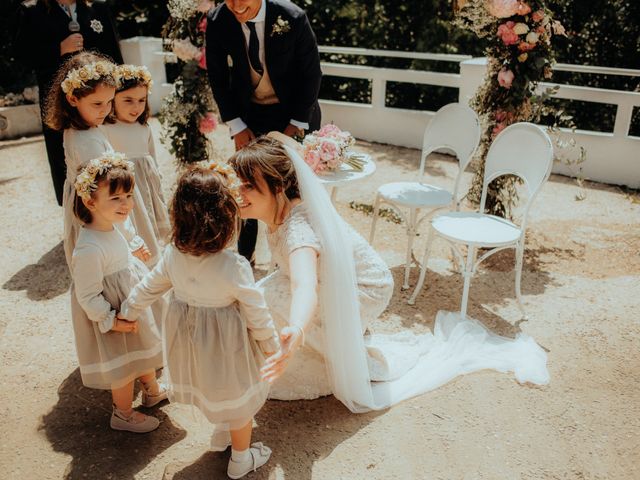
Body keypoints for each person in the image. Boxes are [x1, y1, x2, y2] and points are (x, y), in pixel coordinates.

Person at [230, 135, 551, 413]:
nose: (239, 193)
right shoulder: (279, 209)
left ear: (279, 187)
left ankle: (334, 360)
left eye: (249, 186)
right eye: (238, 183)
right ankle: (321, 348)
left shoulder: (299, 230)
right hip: (337, 277)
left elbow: (304, 286)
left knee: (269, 295)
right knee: (264, 289)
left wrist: (297, 330)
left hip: (366, 288)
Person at [119, 164, 280, 479]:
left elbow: (149, 287)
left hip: (192, 343)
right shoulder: (233, 265)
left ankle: (224, 435)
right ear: (227, 220)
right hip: (229, 345)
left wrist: (128, 310)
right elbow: (256, 312)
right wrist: (272, 347)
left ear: (179, 216)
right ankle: (241, 458)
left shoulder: (172, 255)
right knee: (239, 396)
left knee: (215, 388)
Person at [206, 0, 322, 263]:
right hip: (250, 115)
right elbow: (218, 77)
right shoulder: (218, 20)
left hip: (295, 112)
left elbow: (311, 74)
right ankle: (246, 257)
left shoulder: (292, 16)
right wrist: (236, 124)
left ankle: (300, 253)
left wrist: (297, 124)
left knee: (294, 188)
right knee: (247, 182)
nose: (235, 6)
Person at [70, 152, 166, 433]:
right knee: (123, 366)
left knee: (143, 349)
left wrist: (134, 244)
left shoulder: (112, 226)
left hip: (130, 301)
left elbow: (123, 238)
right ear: (90, 202)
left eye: (128, 195)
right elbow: (87, 295)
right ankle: (122, 413)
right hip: (114, 313)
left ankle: (151, 389)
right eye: (116, 198)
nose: (126, 204)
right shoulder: (88, 247)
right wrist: (110, 319)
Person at [44, 51, 161, 267]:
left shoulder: (80, 127)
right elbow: (106, 197)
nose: (106, 110)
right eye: (97, 104)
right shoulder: (87, 142)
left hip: (101, 206)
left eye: (109, 102)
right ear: (72, 99)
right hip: (104, 213)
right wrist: (131, 238)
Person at [15, 0, 123, 206]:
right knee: (65, 156)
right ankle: (75, 209)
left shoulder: (97, 7)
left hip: (101, 102)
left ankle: (111, 204)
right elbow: (22, 55)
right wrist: (58, 49)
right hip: (61, 104)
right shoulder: (32, 11)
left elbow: (114, 54)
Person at [102, 64, 171, 242]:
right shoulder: (106, 128)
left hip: (146, 182)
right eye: (128, 100)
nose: (136, 106)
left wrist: (156, 178)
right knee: (133, 219)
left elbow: (152, 157)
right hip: (124, 186)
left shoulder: (143, 127)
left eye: (141, 100)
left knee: (149, 215)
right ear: (112, 99)